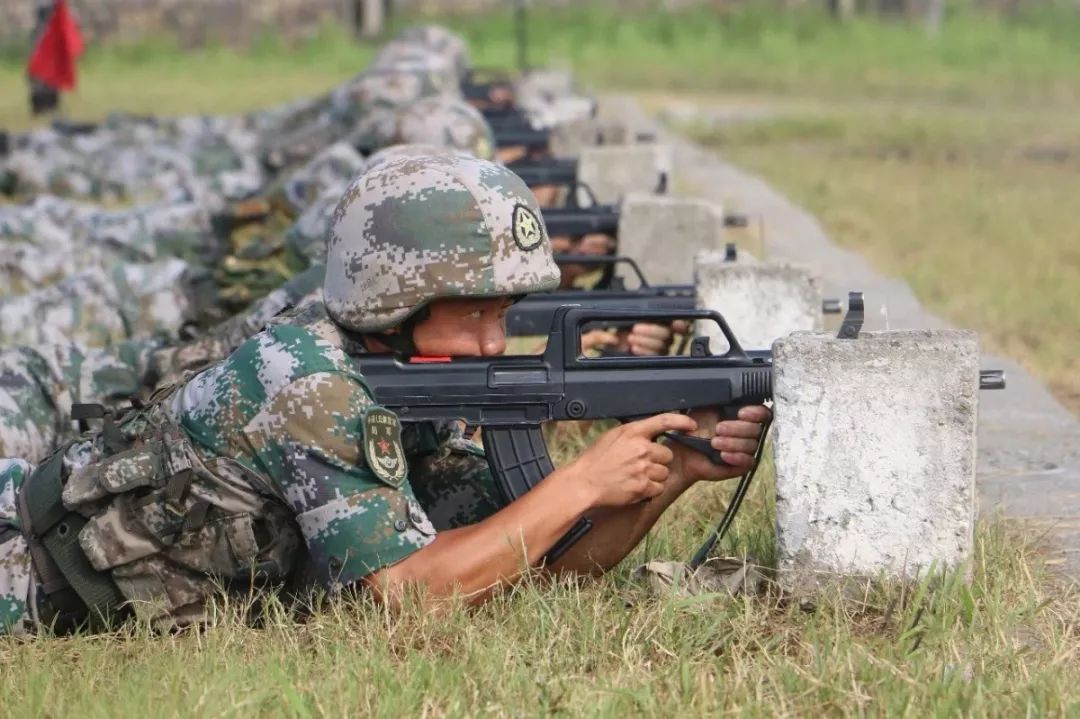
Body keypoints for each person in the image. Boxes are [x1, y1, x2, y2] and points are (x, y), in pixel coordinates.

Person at [0, 154, 769, 635]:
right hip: (29, 576)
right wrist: (578, 481)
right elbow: (414, 596)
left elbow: (537, 565)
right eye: (474, 311)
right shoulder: (309, 380)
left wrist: (666, 476)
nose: (496, 342)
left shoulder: (409, 383)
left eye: (502, 313)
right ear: (392, 302)